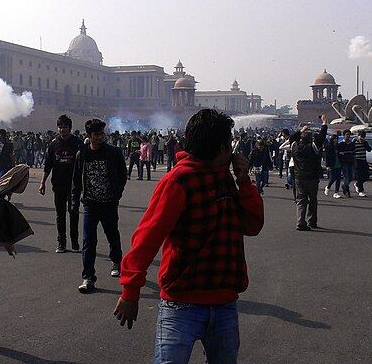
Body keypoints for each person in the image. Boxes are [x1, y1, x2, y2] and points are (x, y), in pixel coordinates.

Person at [113, 109, 264, 363]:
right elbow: (147, 237)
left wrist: (244, 183)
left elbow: (252, 225)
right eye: (229, 143)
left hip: (224, 302)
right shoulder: (178, 181)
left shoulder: (226, 179)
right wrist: (130, 290)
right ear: (222, 149)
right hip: (181, 303)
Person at [72, 119, 127, 293]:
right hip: (90, 203)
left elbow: (122, 174)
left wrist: (117, 193)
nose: (100, 137)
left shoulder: (113, 152)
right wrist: (75, 201)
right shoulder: (82, 154)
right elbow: (76, 180)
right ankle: (88, 277)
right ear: (89, 136)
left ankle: (116, 261)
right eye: (96, 134)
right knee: (89, 241)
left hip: (109, 202)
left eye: (101, 134)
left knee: (112, 234)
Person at [39, 115, 82, 253]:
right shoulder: (53, 144)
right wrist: (42, 182)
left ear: (70, 128)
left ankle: (74, 242)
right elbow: (48, 165)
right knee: (60, 213)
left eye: (65, 127)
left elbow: (83, 165)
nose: (62, 130)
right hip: (58, 184)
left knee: (74, 212)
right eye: (60, 127)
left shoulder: (77, 143)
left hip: (74, 185)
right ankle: (61, 243)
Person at [291, 116, 328, 231]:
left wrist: (301, 130)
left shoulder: (295, 147)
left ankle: (300, 222)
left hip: (299, 177)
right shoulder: (313, 147)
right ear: (311, 139)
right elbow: (321, 138)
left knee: (301, 200)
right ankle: (312, 221)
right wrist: (324, 123)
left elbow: (291, 138)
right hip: (312, 177)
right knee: (313, 199)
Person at [337, 130, 355, 198]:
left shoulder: (352, 144)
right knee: (346, 176)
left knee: (352, 176)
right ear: (344, 136)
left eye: (349, 135)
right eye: (347, 134)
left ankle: (344, 185)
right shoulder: (340, 144)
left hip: (351, 162)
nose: (348, 136)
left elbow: (354, 153)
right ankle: (347, 190)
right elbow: (338, 153)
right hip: (344, 162)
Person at [354, 130, 372, 197]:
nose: (362, 139)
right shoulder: (354, 142)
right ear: (358, 136)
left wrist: (365, 143)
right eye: (361, 137)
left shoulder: (365, 143)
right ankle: (361, 190)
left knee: (366, 175)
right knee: (359, 176)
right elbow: (353, 152)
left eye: (363, 137)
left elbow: (369, 150)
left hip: (364, 160)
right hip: (357, 161)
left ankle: (357, 184)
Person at [324, 133, 343, 199]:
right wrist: (327, 165)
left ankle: (336, 192)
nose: (336, 140)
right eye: (334, 139)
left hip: (338, 163)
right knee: (333, 178)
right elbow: (327, 156)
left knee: (338, 178)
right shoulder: (329, 146)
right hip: (332, 164)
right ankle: (328, 187)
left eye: (336, 139)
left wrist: (341, 154)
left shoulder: (338, 146)